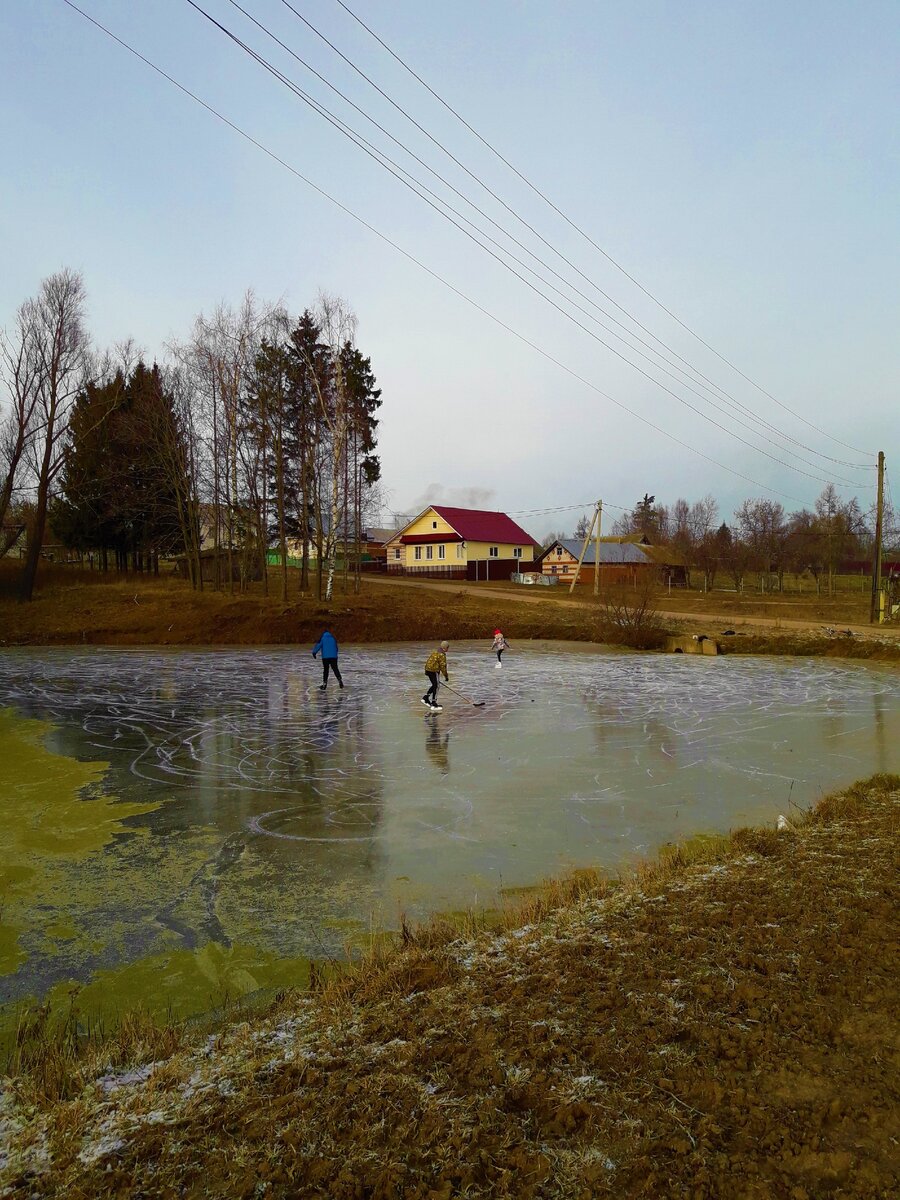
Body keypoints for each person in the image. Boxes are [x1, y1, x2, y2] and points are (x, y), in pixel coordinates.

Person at [422, 640, 449, 711]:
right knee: (437, 686)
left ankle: (426, 698)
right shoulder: (442, 655)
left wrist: (426, 672)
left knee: (435, 685)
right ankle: (433, 702)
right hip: (433, 671)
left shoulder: (435, 652)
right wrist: (446, 676)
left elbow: (428, 661)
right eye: (447, 647)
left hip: (428, 670)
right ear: (445, 648)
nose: (448, 649)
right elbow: (443, 667)